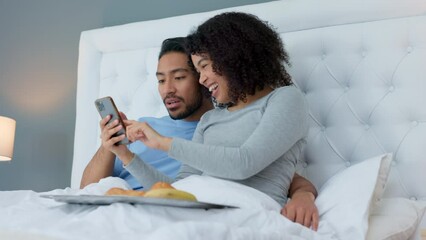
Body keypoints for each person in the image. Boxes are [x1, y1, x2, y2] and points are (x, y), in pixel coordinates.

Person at [81, 36, 319, 230]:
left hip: (174, 210)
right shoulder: (145, 126)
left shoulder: (232, 127)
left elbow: (267, 169)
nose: (168, 89)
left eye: (180, 77)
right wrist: (115, 149)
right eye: (161, 80)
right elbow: (85, 191)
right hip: (133, 204)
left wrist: (304, 195)